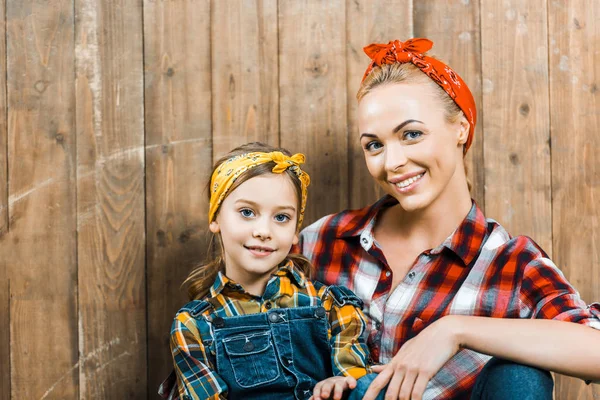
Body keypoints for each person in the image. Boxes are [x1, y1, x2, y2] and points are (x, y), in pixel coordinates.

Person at [297, 38, 600, 400]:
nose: (391, 162)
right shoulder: (325, 240)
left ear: (461, 128)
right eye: (374, 145)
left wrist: (454, 331)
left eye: (411, 134)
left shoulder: (509, 263)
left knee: (521, 374)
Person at [158, 142, 379, 400]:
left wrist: (342, 383)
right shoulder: (194, 325)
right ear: (216, 218)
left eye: (281, 218)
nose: (264, 231)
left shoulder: (333, 305)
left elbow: (356, 382)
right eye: (247, 212)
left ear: (296, 230)